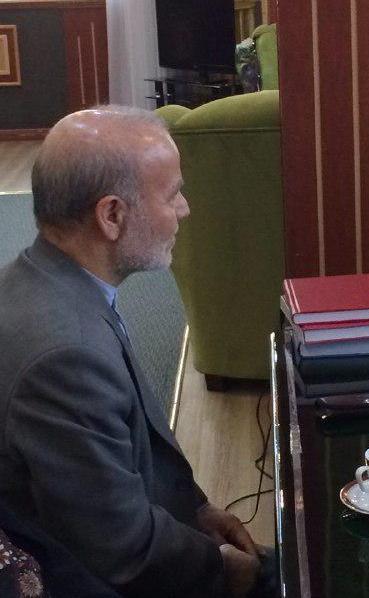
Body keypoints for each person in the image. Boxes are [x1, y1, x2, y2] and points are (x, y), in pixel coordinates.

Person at [0, 106, 267, 597]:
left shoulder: (41, 280)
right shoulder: (66, 356)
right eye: (172, 194)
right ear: (112, 215)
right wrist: (222, 568)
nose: (184, 209)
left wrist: (196, 508)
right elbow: (122, 552)